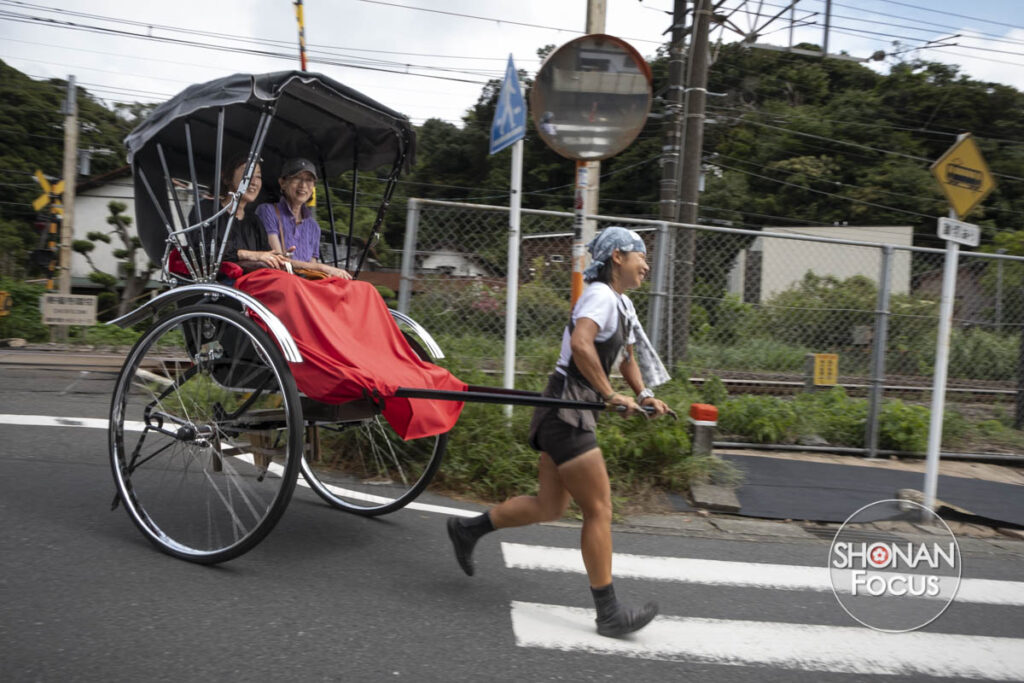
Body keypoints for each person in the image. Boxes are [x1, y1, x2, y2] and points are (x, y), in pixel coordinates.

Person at [446, 227, 671, 639]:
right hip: (567, 409)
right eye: (641, 254)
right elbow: (582, 344)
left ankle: (467, 530)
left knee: (550, 506)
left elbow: (625, 359)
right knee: (599, 508)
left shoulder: (621, 305)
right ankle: (609, 613)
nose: (647, 263)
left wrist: (644, 394)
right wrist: (608, 394)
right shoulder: (601, 296)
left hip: (568, 409)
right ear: (617, 257)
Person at [185, 155, 292, 273]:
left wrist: (280, 256)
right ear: (227, 178)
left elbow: (265, 253)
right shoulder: (206, 210)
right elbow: (201, 252)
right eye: (248, 174)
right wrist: (248, 255)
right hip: (224, 282)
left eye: (258, 176)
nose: (254, 182)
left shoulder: (254, 221)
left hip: (256, 279)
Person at [256, 157, 351, 279]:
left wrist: (321, 270)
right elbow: (278, 261)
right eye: (297, 178)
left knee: (361, 288)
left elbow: (312, 268)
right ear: (282, 183)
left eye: (309, 180)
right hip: (280, 281)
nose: (303, 185)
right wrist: (321, 267)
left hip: (305, 283)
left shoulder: (313, 226)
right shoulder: (267, 211)